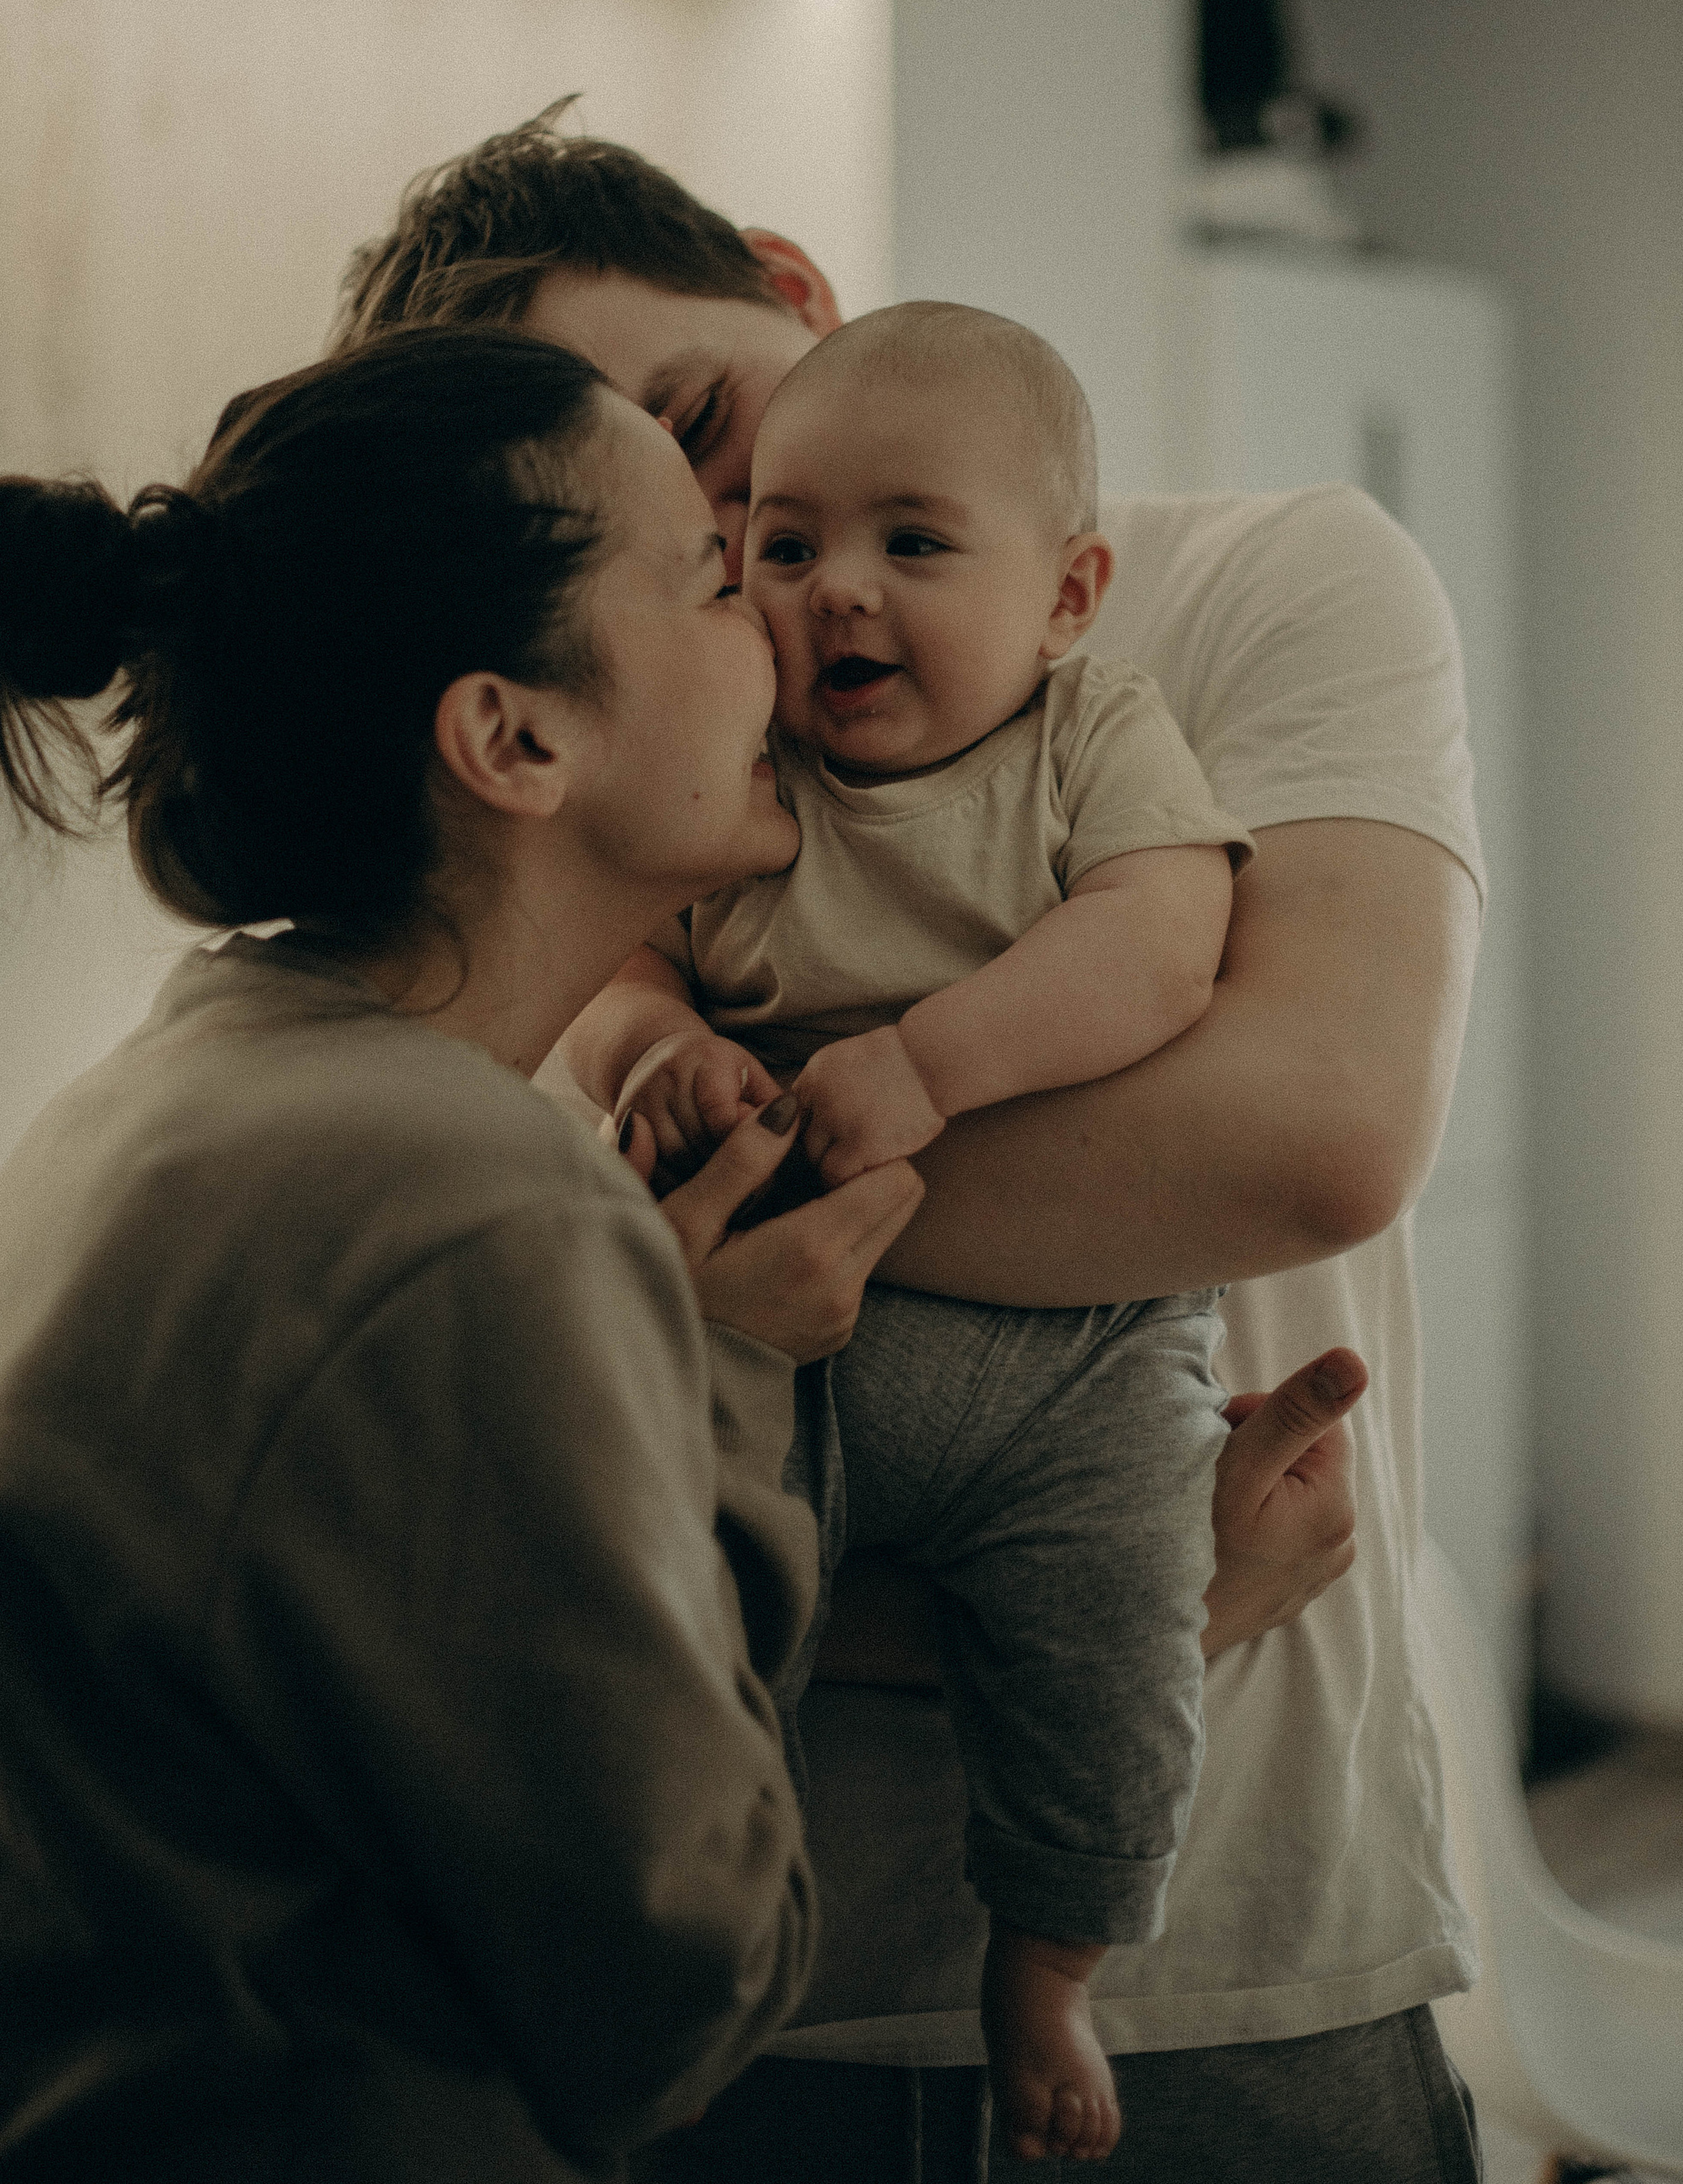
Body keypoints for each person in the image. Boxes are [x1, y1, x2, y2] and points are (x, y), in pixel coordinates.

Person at [332, 111, 1487, 2183]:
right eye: (619, 505)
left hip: (1229, 1963)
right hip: (732, 2001)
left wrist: (746, 1198)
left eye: (699, 420)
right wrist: (1144, 1592)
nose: (740, 556)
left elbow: (1305, 1137)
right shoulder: (611, 717)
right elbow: (554, 1425)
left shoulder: (1256, 590)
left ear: (793, 287)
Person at [0, 325, 928, 2181]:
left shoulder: (179, 1089)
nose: (774, 614)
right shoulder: (467, 1199)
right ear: (514, 735)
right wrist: (719, 1373)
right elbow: (682, 1983)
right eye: (703, 572)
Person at [574, 298, 1255, 2162]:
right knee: (704, 1633)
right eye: (784, 547)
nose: (837, 594)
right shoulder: (745, 766)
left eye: (914, 543)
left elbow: (1162, 939)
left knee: (1118, 1645)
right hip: (792, 1343)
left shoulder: (1091, 734)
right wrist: (661, 1047)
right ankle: (699, 1950)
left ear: (1066, 592)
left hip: (1084, 1358)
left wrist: (932, 1064)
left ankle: (1049, 1968)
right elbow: (612, 954)